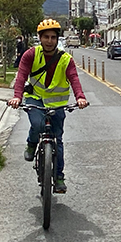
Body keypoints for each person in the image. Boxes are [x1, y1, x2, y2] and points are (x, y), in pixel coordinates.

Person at [8, 19, 88, 194]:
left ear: (57, 39)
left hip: (57, 104)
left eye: (53, 37)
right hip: (35, 99)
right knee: (37, 125)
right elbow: (21, 76)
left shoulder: (65, 59)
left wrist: (80, 97)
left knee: (57, 140)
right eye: (46, 37)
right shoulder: (30, 55)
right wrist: (16, 97)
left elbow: (74, 79)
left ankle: (59, 177)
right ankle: (31, 143)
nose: (49, 40)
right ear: (40, 37)